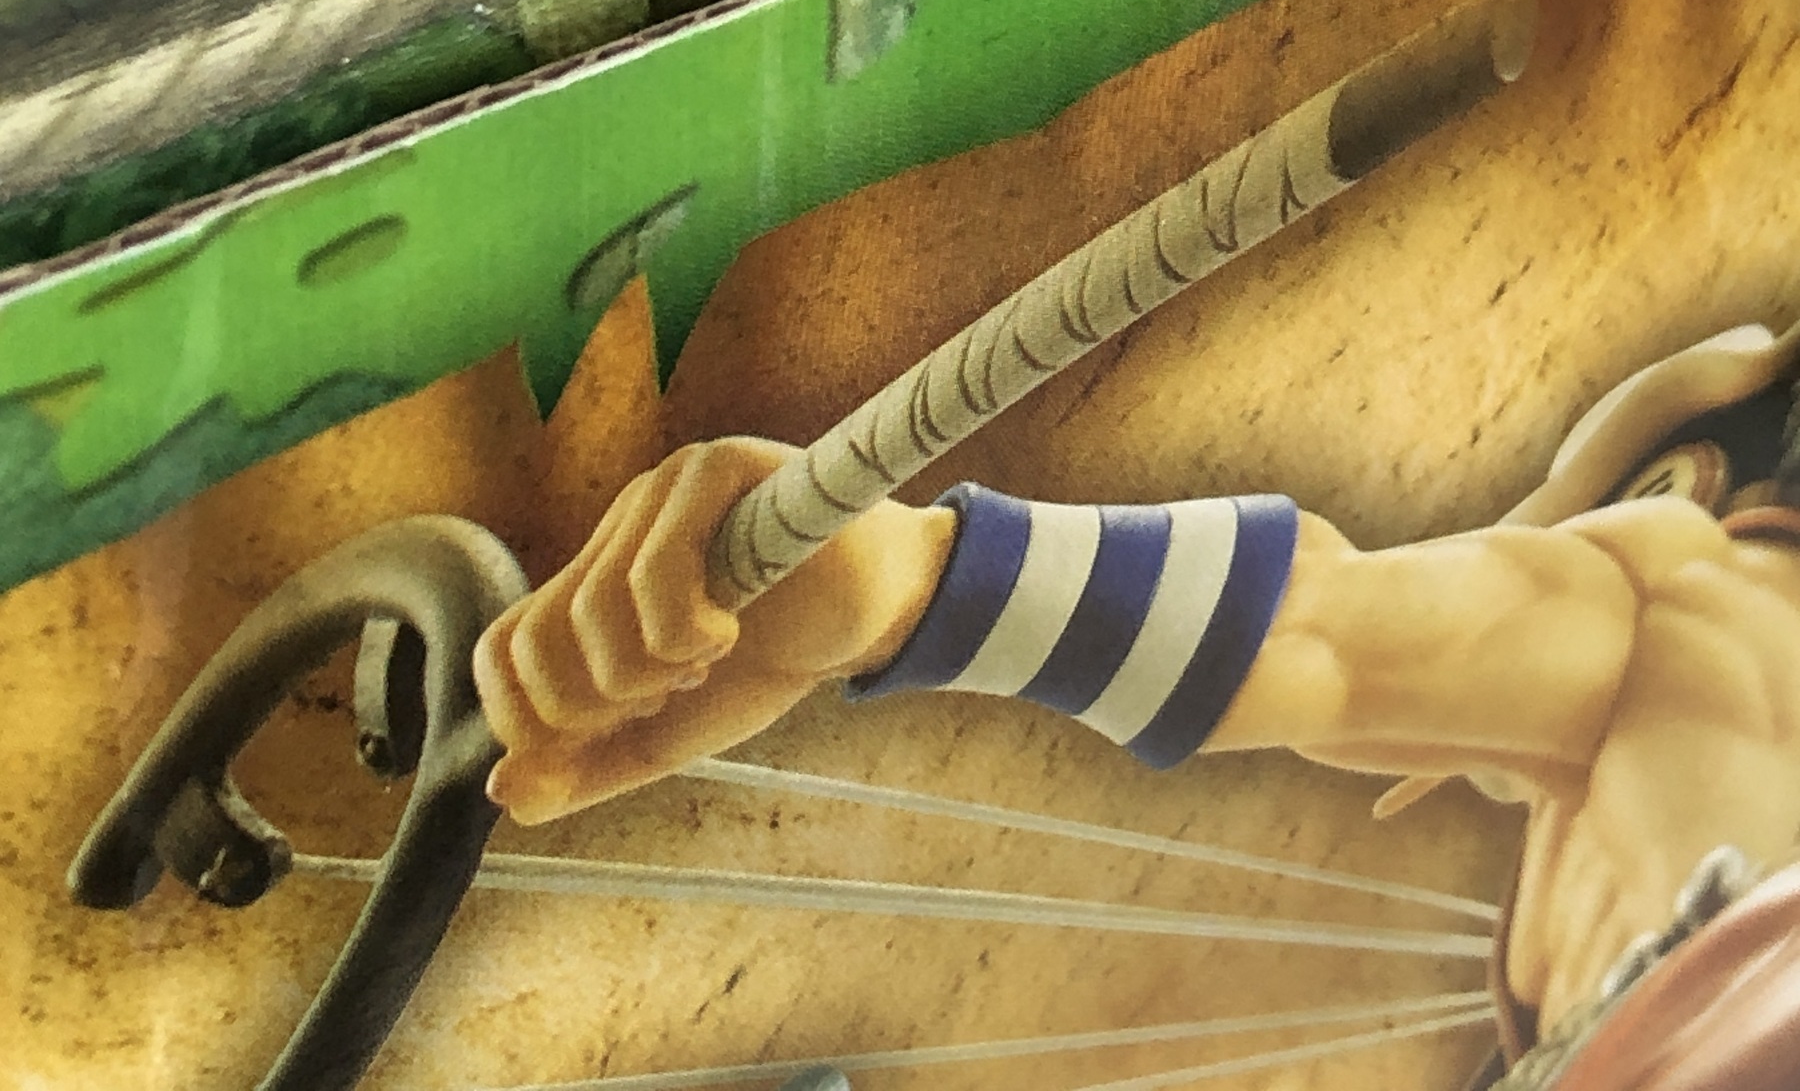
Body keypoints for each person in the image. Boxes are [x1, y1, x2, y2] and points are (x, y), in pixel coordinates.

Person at [473, 320, 1800, 1089]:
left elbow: (1316, 634)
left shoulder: (1713, 613)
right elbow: (1319, 637)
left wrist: (918, 583)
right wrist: (895, 583)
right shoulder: (1702, 637)